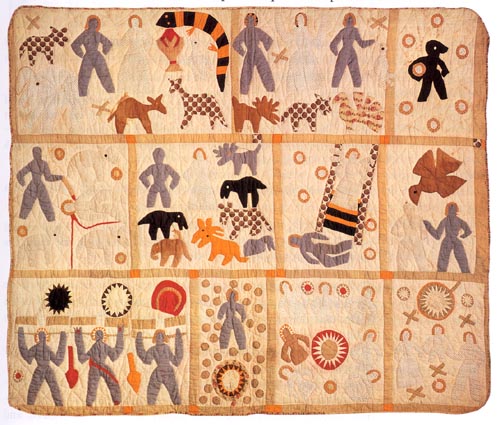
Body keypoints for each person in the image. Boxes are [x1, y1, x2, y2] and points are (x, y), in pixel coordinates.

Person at [74, 326, 123, 406]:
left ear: (95, 337)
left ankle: (89, 403)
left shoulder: (95, 347)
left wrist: (78, 336)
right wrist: (120, 334)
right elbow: (115, 355)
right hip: (99, 367)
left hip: (95, 367)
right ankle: (116, 400)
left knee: (92, 386)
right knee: (111, 382)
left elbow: (82, 358)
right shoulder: (104, 346)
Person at [18, 327, 66, 406]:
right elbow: (58, 360)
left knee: (52, 388)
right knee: (37, 389)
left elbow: (27, 356)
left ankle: (31, 405)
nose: (42, 339)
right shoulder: (44, 349)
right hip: (43, 369)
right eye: (42, 337)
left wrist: (63, 338)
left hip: (43, 370)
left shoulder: (41, 348)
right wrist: (63, 337)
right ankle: (31, 405)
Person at [135, 328, 183, 405]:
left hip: (167, 372)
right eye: (158, 336)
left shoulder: (166, 348)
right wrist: (139, 339)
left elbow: (176, 361)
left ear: (164, 338)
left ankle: (177, 404)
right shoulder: (153, 349)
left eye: (161, 336)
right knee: (152, 391)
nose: (159, 338)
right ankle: (151, 406)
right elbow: (146, 359)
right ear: (155, 338)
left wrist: (178, 337)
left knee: (174, 391)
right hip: (159, 373)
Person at [71, 16, 115, 97]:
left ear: (97, 26)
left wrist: (105, 51)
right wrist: (80, 53)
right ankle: (83, 95)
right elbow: (74, 44)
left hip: (96, 56)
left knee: (104, 74)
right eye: (92, 24)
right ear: (89, 24)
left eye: (95, 24)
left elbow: (108, 43)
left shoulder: (97, 34)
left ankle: (111, 92)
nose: (94, 26)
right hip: (89, 56)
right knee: (84, 77)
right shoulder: (85, 34)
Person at [232, 13, 275, 95]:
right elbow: (268, 40)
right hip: (256, 53)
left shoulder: (245, 31)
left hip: (251, 53)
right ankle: (270, 89)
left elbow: (236, 43)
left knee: (248, 72)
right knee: (263, 70)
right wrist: (267, 47)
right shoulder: (256, 31)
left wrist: (242, 52)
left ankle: (244, 91)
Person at [17, 146, 63, 222]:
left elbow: (48, 177)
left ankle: (51, 220)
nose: (36, 155)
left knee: (45, 203)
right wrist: (22, 182)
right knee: (27, 202)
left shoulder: (41, 164)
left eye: (37, 153)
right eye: (35, 153)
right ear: (33, 154)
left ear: (40, 153)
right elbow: (20, 174)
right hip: (34, 186)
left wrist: (59, 177)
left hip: (37, 186)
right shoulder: (33, 164)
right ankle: (22, 218)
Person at [423, 202, 472, 272]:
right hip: (455, 241)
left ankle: (441, 275)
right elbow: (468, 231)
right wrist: (463, 236)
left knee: (442, 265)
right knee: (463, 264)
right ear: (456, 210)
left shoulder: (445, 220)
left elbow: (437, 235)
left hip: (447, 241)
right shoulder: (459, 220)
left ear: (447, 210)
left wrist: (428, 226)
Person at [329, 13, 375, 88]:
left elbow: (333, 44)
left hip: (344, 52)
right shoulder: (355, 30)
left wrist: (336, 52)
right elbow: (362, 44)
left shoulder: (343, 31)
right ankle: (357, 88)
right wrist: (371, 41)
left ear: (344, 21)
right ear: (354, 21)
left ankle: (334, 87)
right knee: (355, 72)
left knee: (338, 72)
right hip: (351, 52)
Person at [117, 15, 153, 97]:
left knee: (142, 72)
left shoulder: (142, 32)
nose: (134, 23)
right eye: (133, 22)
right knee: (126, 71)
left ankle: (143, 92)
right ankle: (127, 91)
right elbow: (123, 43)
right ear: (130, 23)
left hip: (140, 53)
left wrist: (145, 49)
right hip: (130, 53)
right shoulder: (129, 32)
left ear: (139, 23)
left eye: (136, 22)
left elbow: (149, 41)